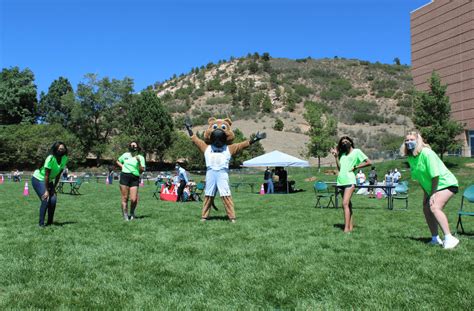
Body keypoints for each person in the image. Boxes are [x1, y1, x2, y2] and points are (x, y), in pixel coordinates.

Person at [402, 131, 459, 249]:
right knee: (426, 208)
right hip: (432, 187)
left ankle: (449, 238)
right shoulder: (411, 158)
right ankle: (435, 238)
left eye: (411, 140)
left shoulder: (427, 153)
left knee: (434, 207)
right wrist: (426, 195)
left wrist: (432, 194)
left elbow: (435, 175)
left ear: (418, 141)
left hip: (446, 184)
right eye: (406, 140)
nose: (408, 142)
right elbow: (421, 179)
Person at [331, 136, 371, 233]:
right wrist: (336, 157)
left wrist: (356, 167)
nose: (344, 143)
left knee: (344, 204)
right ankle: (350, 226)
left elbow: (369, 162)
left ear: (350, 142)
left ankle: (346, 229)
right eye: (342, 142)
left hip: (350, 180)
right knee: (348, 205)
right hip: (340, 181)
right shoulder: (343, 154)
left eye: (346, 141)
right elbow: (340, 168)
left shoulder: (357, 151)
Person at [31, 142, 68, 227]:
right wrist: (47, 191)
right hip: (39, 179)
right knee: (46, 199)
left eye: (62, 149)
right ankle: (41, 224)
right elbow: (46, 176)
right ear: (55, 149)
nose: (60, 150)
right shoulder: (50, 158)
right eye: (59, 149)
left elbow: (59, 174)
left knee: (53, 200)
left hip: (49, 180)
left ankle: (50, 222)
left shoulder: (64, 158)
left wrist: (54, 187)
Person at [116, 141, 145, 221]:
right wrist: (123, 167)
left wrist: (139, 162)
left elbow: (142, 170)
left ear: (137, 147)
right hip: (124, 176)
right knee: (125, 197)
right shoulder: (125, 155)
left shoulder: (140, 157)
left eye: (134, 146)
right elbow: (118, 161)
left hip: (134, 178)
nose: (133, 147)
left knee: (134, 199)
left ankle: (132, 213)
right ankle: (125, 215)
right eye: (131, 145)